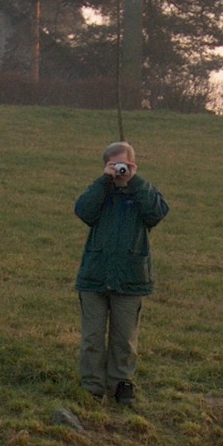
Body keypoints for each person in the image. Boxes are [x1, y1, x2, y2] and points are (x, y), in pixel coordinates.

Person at [74, 141, 169, 406]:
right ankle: (92, 386)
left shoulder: (141, 193)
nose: (120, 170)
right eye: (115, 164)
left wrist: (135, 182)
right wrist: (104, 181)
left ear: (134, 165)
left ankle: (121, 384)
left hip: (130, 277)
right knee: (92, 337)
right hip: (95, 276)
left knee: (125, 337)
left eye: (125, 165)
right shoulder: (100, 192)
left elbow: (157, 213)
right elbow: (83, 211)